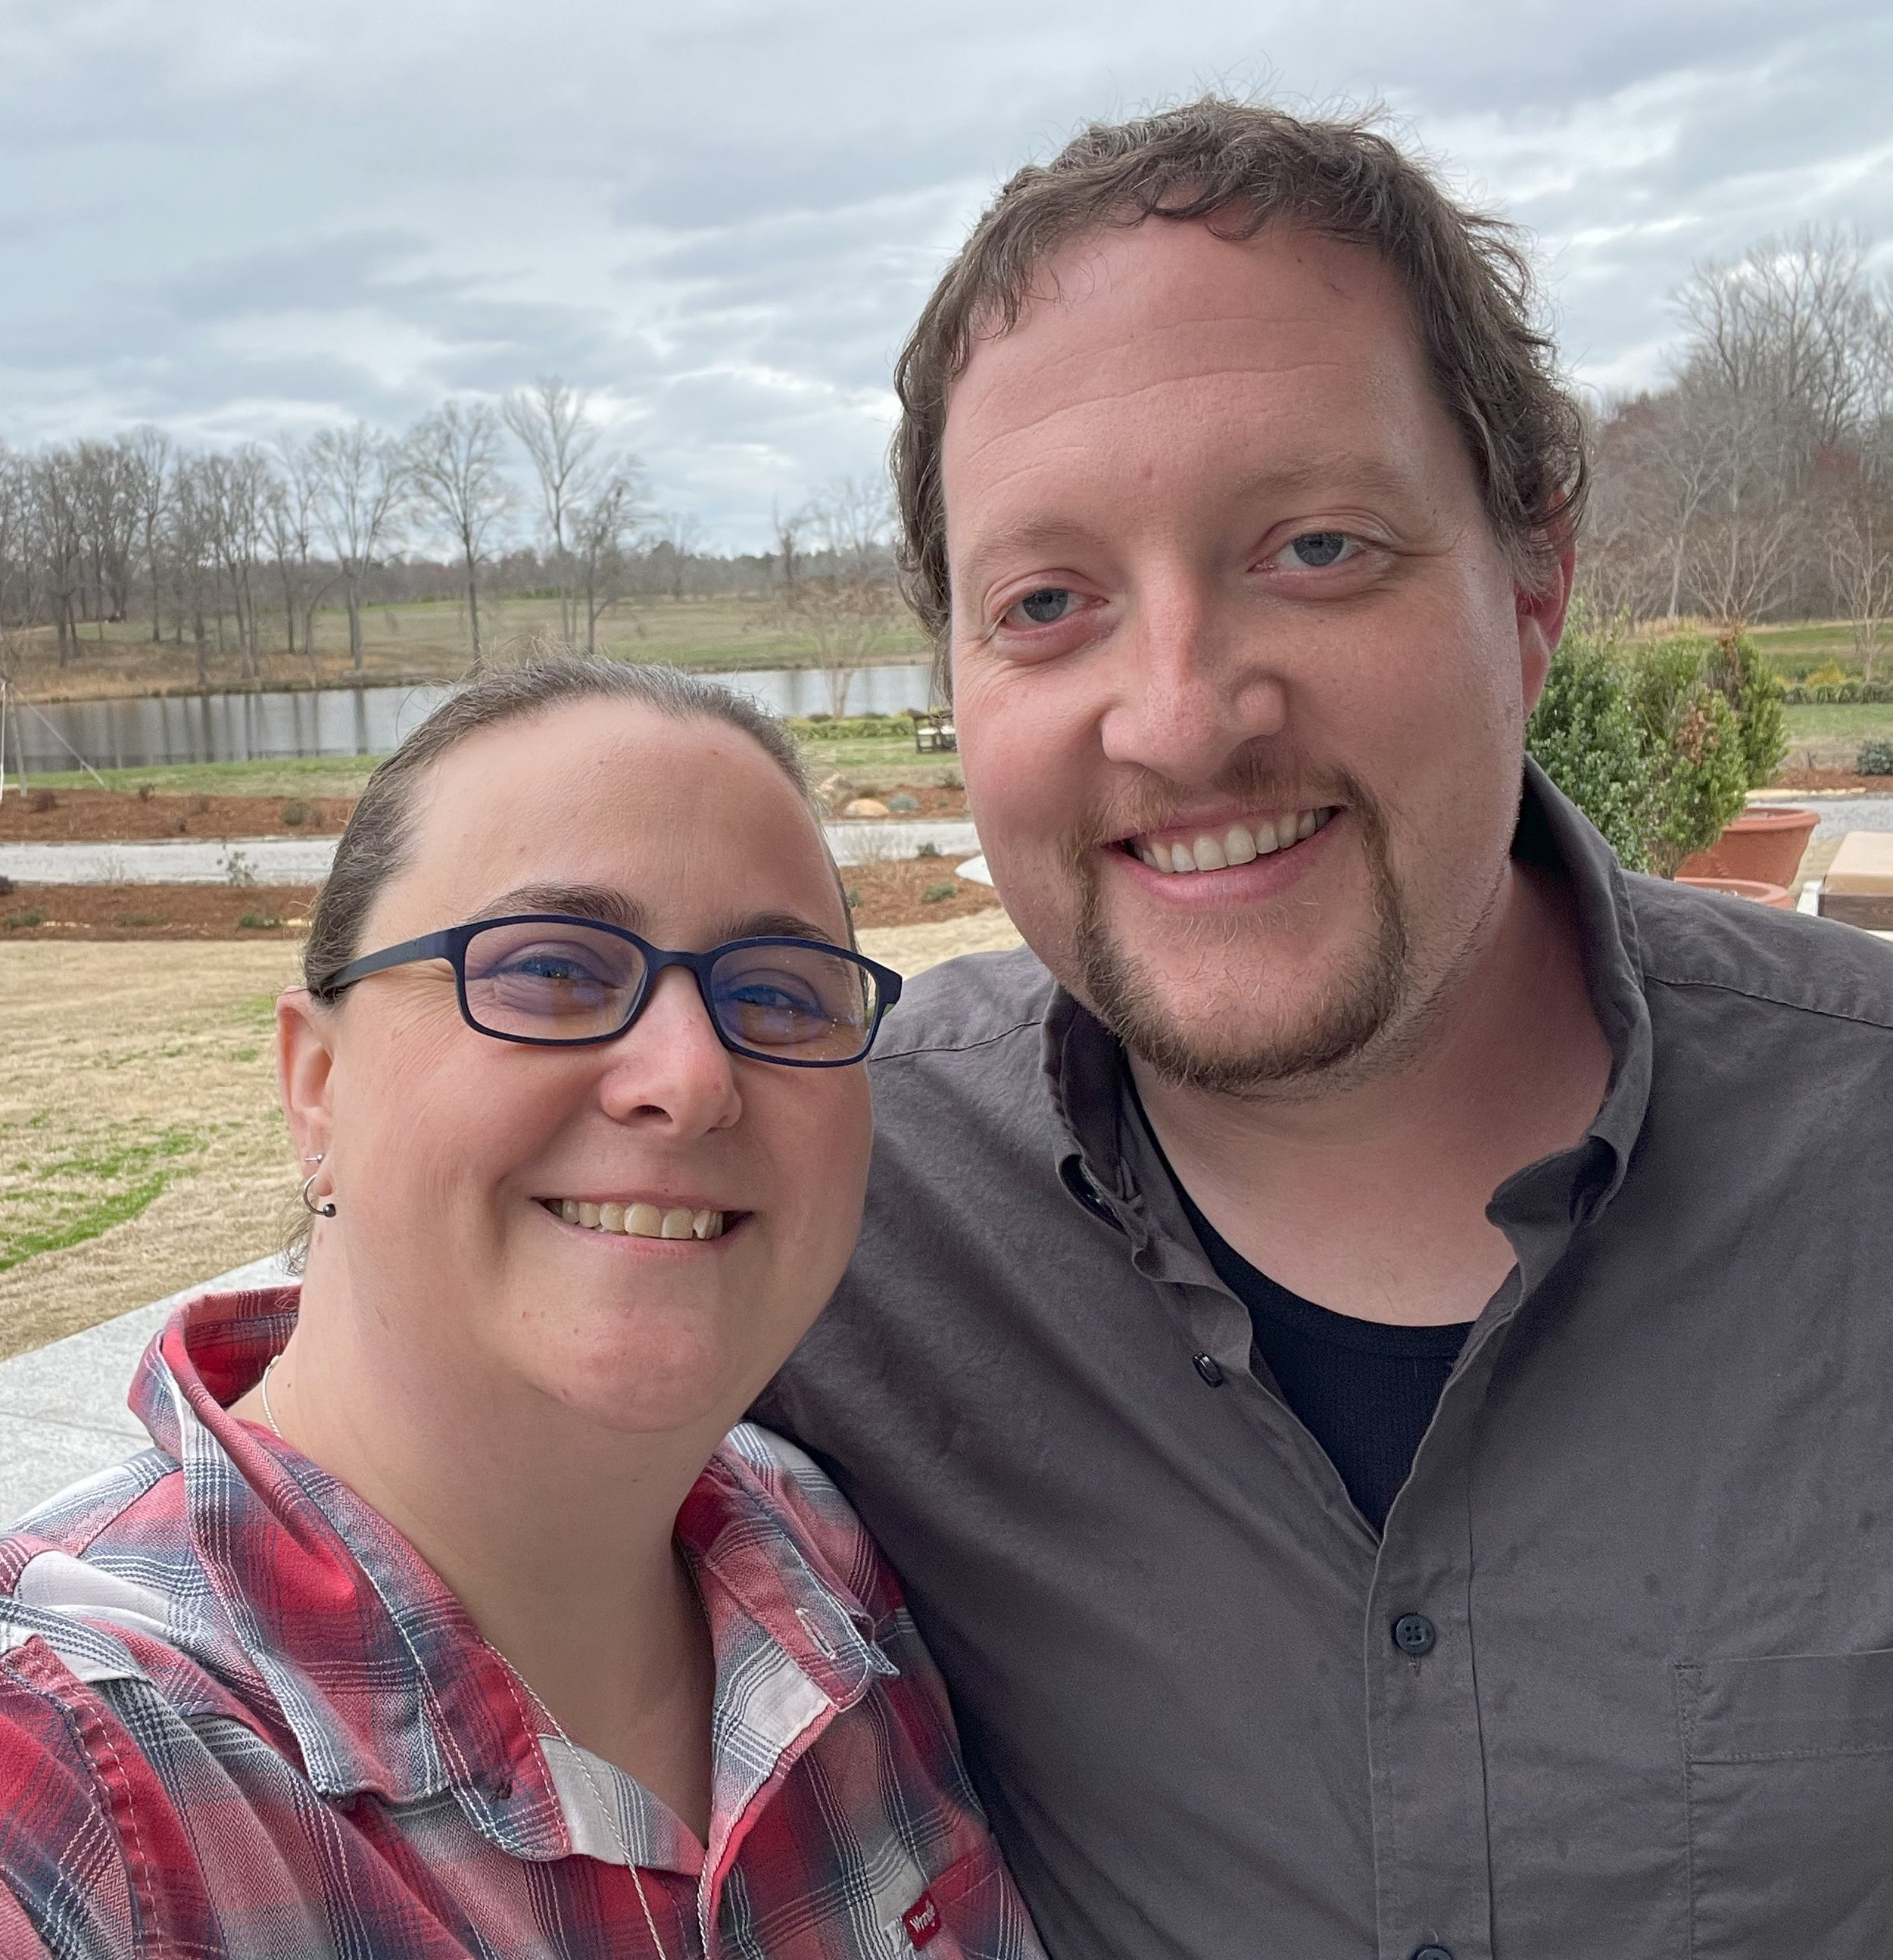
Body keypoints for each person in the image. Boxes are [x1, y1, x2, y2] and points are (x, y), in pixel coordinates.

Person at [756, 98, 1893, 1960]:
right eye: (1047, 604)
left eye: (1313, 547)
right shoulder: (822, 1191)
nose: (1183, 717)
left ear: (1529, 590)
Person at [0, 660, 1044, 1960]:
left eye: (777, 990)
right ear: (316, 1084)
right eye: (551, 967)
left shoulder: (827, 1564)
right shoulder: (72, 1791)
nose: (692, 1075)